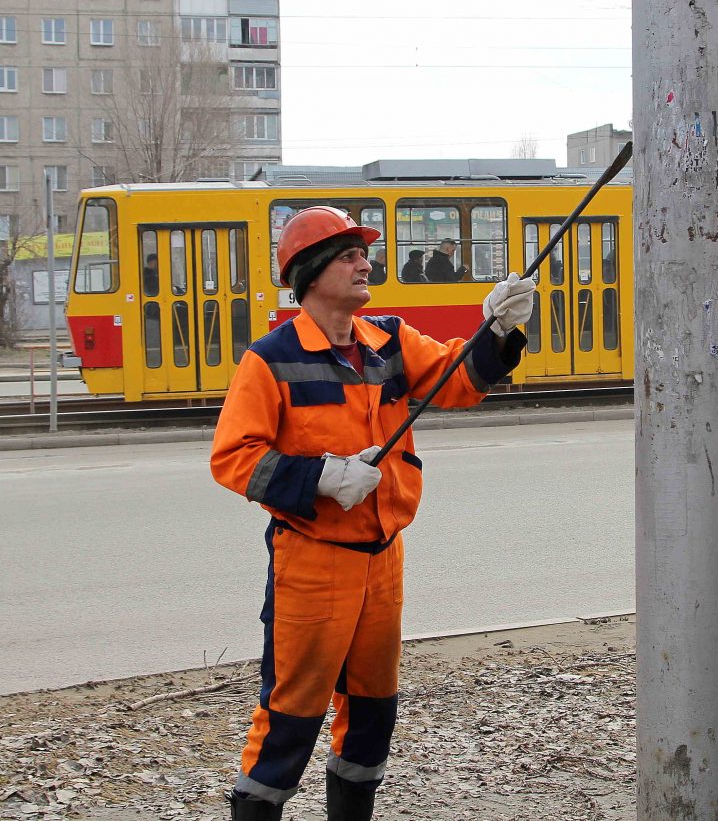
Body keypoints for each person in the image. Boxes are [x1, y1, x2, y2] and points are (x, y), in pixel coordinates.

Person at [210, 206, 535, 820]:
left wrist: (495, 331)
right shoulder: (269, 360)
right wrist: (323, 477)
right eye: (349, 255)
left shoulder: (390, 339)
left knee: (373, 714)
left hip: (383, 561)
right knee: (289, 720)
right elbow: (233, 460)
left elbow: (456, 381)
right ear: (310, 273)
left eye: (364, 254)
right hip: (312, 565)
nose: (366, 264)